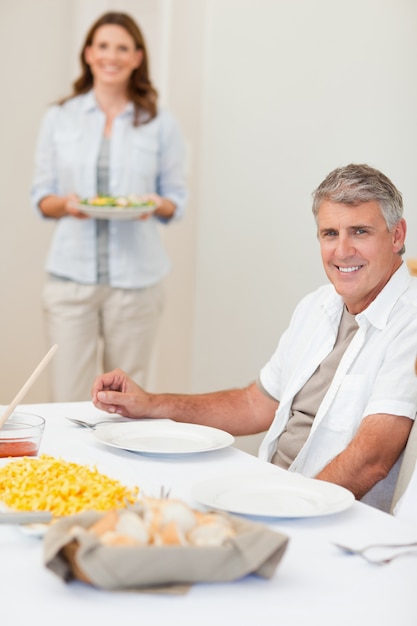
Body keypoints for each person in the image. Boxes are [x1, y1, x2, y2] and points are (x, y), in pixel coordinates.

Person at [92, 163, 417, 512]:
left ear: (397, 236)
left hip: (320, 514)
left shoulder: (410, 320)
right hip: (272, 492)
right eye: (329, 234)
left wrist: (281, 508)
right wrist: (153, 404)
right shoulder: (317, 305)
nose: (342, 251)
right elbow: (255, 404)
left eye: (360, 232)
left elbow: (372, 459)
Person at [31, 11, 187, 401]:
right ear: (88, 53)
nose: (111, 56)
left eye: (122, 47)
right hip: (70, 280)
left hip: (136, 283)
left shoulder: (159, 122)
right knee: (68, 398)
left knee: (126, 401)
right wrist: (67, 204)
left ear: (137, 57)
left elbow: (175, 200)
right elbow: (42, 196)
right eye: (102, 46)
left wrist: (155, 203)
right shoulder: (59, 117)